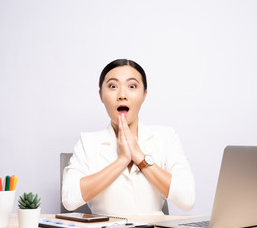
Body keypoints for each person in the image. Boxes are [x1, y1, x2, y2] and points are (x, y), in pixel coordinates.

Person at [62, 59, 195, 215]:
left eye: (132, 86)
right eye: (112, 86)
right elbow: (69, 200)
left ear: (144, 94)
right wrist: (122, 160)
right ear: (101, 95)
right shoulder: (88, 142)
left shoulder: (165, 137)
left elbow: (187, 200)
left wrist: (139, 156)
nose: (122, 95)